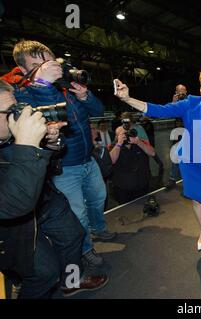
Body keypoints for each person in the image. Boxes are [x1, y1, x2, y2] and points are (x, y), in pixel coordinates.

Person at [1, 41, 116, 265]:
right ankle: (85, 250)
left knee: (98, 198)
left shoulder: (66, 87)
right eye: (37, 65)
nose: (46, 68)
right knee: (78, 214)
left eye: (48, 62)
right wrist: (42, 84)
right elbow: (52, 119)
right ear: (24, 70)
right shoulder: (22, 95)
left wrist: (85, 97)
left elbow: (98, 111)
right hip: (63, 167)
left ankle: (99, 229)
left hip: (87, 159)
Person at [115, 66, 201, 268]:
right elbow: (158, 110)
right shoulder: (191, 104)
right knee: (196, 200)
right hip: (190, 163)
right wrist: (127, 99)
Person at [0, 80, 108, 298]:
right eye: (9, 112)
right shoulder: (18, 138)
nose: (17, 116)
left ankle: (71, 281)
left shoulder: (12, 134)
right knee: (44, 272)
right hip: (12, 218)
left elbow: (52, 160)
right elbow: (14, 203)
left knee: (74, 235)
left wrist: (50, 144)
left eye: (17, 108)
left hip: (44, 199)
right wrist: (27, 145)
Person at [109, 119, 156, 204]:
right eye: (123, 134)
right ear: (117, 136)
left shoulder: (139, 142)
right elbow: (111, 160)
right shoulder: (113, 146)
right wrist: (119, 144)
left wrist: (138, 142)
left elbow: (152, 153)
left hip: (142, 184)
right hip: (123, 188)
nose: (127, 136)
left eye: (128, 133)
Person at [166, 84, 188, 189]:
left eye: (184, 91)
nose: (182, 93)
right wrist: (174, 103)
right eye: (180, 91)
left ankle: (188, 181)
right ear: (176, 92)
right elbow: (170, 114)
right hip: (178, 133)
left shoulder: (190, 102)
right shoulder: (174, 103)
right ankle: (172, 178)